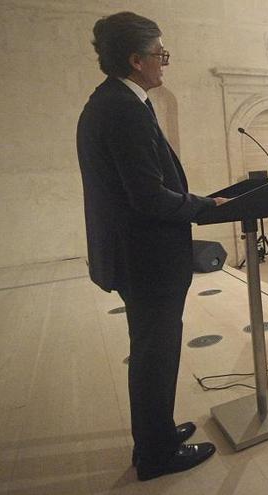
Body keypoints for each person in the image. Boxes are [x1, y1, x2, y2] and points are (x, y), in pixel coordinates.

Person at [76, 12, 221, 480]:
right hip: (147, 259)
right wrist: (203, 207)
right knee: (156, 354)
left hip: (137, 255)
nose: (165, 63)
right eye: (160, 54)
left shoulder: (113, 102)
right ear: (136, 59)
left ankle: (153, 435)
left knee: (151, 351)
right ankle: (156, 455)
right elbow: (148, 196)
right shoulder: (121, 108)